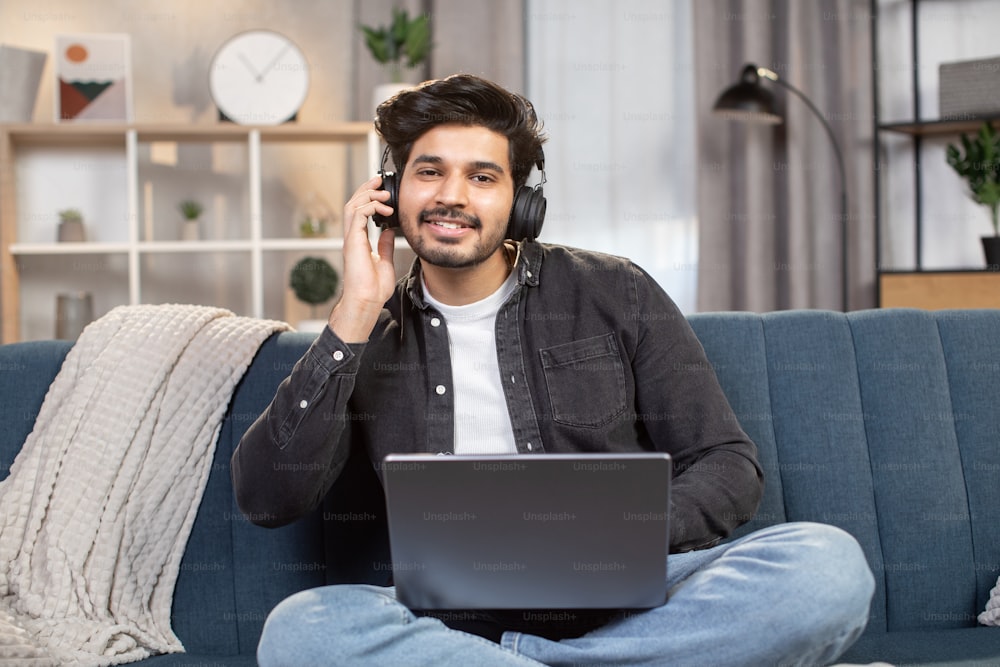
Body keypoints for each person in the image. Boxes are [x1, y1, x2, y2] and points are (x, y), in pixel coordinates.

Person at [232, 74, 874, 666]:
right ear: (391, 193)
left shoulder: (613, 290)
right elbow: (267, 498)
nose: (452, 196)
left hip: (636, 602)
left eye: (483, 177)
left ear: (522, 203)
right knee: (300, 630)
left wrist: (616, 534)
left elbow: (728, 464)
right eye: (430, 172)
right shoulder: (367, 329)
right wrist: (354, 311)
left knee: (826, 569)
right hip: (456, 625)